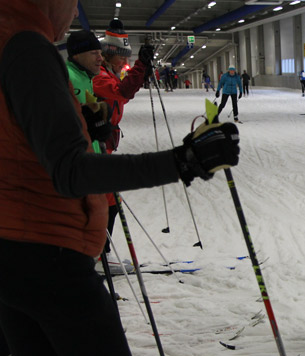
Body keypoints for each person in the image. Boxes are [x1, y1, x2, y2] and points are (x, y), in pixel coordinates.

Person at [0, 1, 240, 355]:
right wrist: (183, 162)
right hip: (46, 253)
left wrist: (80, 119)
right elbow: (70, 172)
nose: (73, 11)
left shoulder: (9, 38)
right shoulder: (27, 46)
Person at [93, 19, 154, 265]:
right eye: (121, 57)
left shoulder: (110, 73)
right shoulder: (98, 75)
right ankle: (97, 252)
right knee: (106, 201)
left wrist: (140, 72)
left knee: (111, 201)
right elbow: (121, 92)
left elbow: (123, 97)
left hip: (106, 143)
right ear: (109, 55)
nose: (123, 61)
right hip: (96, 145)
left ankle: (101, 252)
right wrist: (140, 67)